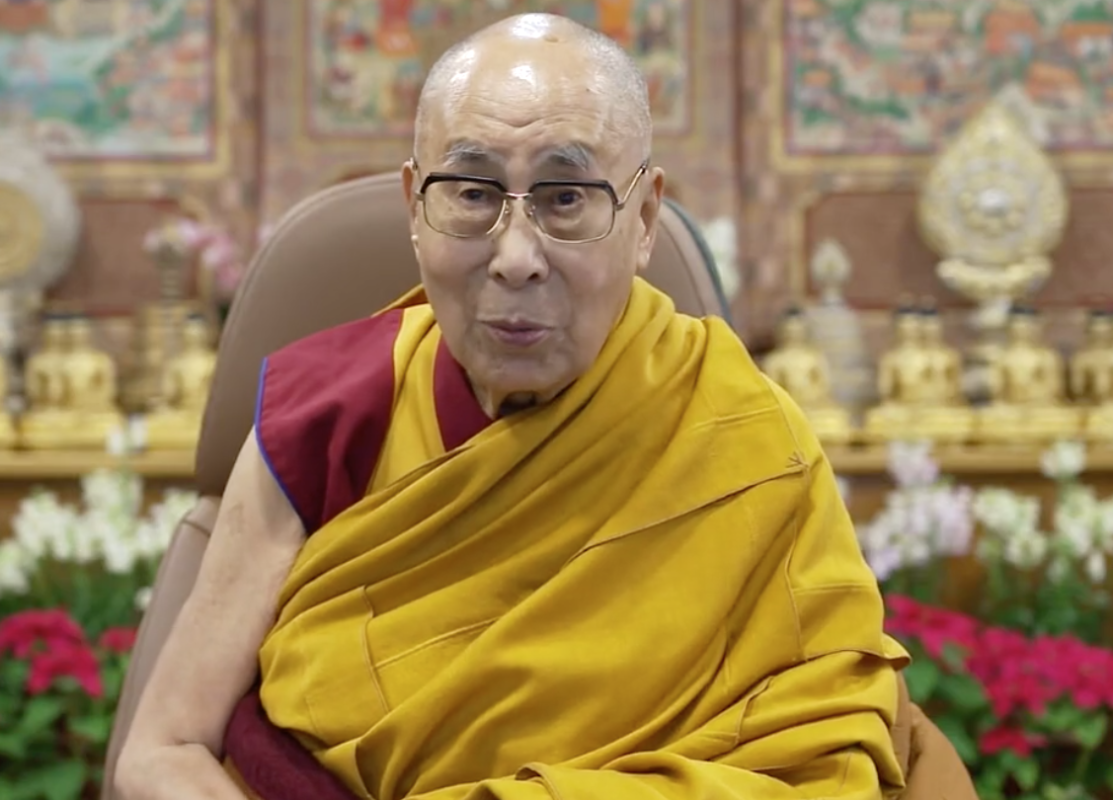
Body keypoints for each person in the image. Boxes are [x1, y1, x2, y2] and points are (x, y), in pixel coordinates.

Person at [115, 13, 975, 800]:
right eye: (471, 192)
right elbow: (161, 751)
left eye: (566, 199)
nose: (516, 256)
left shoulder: (740, 434)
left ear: (644, 218)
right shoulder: (325, 417)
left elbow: (815, 748)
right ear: (415, 206)